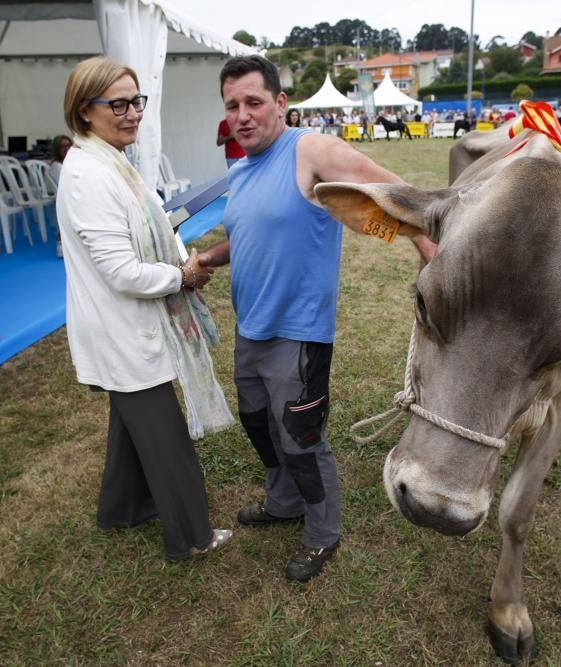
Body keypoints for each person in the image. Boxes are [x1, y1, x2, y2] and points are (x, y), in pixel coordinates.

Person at [198, 55, 435, 583]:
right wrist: (207, 261)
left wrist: (427, 246)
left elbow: (391, 191)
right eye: (232, 105)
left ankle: (322, 531)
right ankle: (283, 502)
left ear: (280, 104)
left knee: (300, 436)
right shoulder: (240, 169)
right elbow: (247, 233)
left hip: (298, 332)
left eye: (254, 103)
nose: (242, 115)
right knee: (260, 425)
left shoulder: (308, 149)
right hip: (250, 327)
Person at [57, 56, 234, 561]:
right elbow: (123, 272)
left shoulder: (108, 159)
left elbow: (153, 227)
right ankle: (192, 537)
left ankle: (123, 507)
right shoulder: (90, 174)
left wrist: (181, 259)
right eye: (119, 103)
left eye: (137, 101)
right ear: (84, 111)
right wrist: (183, 275)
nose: (133, 112)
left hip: (130, 327)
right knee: (165, 439)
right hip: (124, 330)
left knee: (129, 423)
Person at [49, 134, 73, 257]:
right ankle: (61, 241)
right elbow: (70, 186)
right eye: (62, 147)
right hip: (66, 199)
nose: (66, 148)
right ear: (56, 149)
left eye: (68, 145)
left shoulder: (69, 163)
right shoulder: (57, 166)